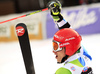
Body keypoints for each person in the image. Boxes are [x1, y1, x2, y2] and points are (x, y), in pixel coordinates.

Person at [48, 0, 93, 74]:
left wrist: (57, 17)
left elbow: (73, 39)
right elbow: (74, 39)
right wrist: (58, 17)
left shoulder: (64, 71)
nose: (53, 51)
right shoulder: (86, 60)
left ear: (68, 48)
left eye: (56, 46)